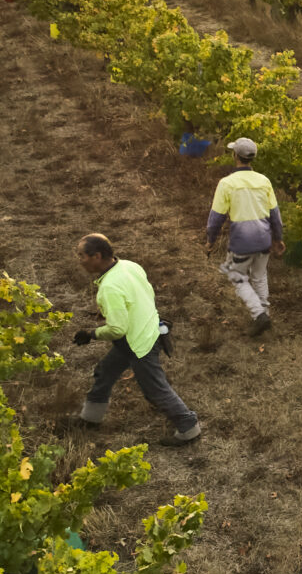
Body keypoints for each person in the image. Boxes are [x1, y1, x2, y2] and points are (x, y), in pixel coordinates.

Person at [71, 233, 202, 446]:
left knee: (155, 389)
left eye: (82, 256)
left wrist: (91, 334)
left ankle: (188, 426)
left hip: (138, 343)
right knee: (106, 371)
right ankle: (90, 418)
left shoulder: (110, 287)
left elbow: (117, 329)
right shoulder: (129, 266)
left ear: (96, 256)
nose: (80, 261)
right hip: (148, 329)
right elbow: (147, 293)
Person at [203, 137, 285, 336]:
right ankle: (264, 313)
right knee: (259, 276)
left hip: (242, 241)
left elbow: (216, 218)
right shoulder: (263, 181)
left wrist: (210, 241)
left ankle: (259, 315)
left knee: (237, 276)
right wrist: (278, 238)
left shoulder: (227, 183)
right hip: (264, 238)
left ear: (235, 156)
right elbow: (275, 213)